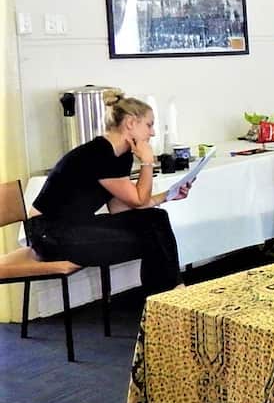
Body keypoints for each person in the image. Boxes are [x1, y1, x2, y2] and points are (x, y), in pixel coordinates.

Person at [26, 97, 189, 295]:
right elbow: (138, 200)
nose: (152, 132)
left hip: (75, 227)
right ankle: (170, 296)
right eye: (149, 125)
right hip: (48, 235)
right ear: (130, 123)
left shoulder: (122, 155)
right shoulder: (99, 153)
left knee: (155, 220)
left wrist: (169, 195)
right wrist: (147, 162)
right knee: (152, 234)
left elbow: (121, 208)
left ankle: (166, 298)